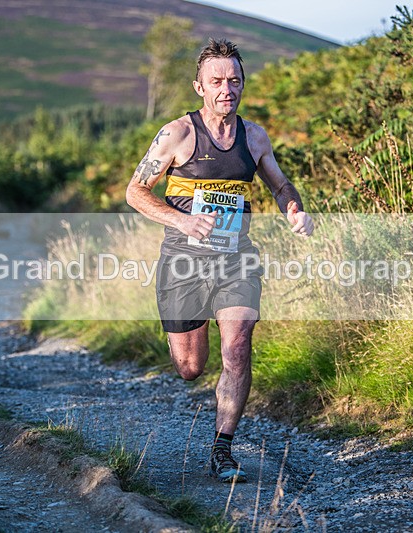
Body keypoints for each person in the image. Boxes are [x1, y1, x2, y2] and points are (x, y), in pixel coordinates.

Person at [125, 38, 313, 483]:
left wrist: (294, 210)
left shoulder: (254, 136)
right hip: (184, 262)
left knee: (237, 347)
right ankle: (185, 341)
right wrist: (182, 222)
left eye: (234, 80)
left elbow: (281, 186)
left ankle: (222, 449)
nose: (226, 88)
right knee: (190, 368)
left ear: (243, 83)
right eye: (216, 81)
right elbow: (136, 192)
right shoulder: (178, 134)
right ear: (199, 86)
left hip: (236, 260)